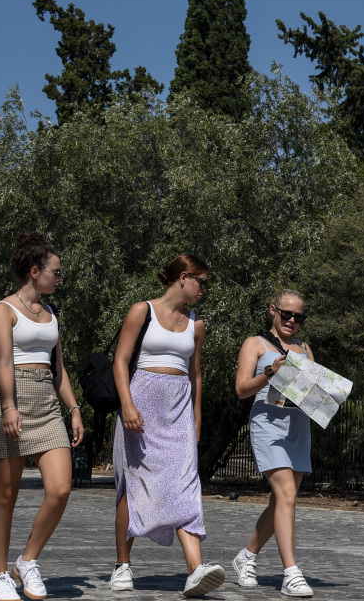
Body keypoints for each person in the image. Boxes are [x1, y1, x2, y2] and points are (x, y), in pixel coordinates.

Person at [108, 255, 224, 598]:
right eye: (203, 282)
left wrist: (196, 417)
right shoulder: (141, 311)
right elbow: (120, 361)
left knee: (186, 484)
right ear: (184, 277)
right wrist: (127, 405)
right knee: (134, 484)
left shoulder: (196, 324)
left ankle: (196, 569)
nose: (205, 289)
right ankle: (122, 565)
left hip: (179, 410)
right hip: (141, 405)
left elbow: (195, 374)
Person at [0, 232, 84, 601]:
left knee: (60, 489)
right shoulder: (3, 310)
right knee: (6, 496)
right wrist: (8, 407)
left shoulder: (51, 314)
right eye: (56, 272)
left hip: (47, 403)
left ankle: (27, 561)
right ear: (35, 271)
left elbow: (59, 369)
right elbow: (4, 362)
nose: (60, 278)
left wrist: (74, 409)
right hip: (13, 398)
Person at [229, 289, 315, 598]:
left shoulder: (304, 348)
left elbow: (311, 392)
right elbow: (241, 389)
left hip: (298, 427)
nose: (292, 320)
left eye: (298, 317)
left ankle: (247, 556)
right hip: (268, 426)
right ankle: (291, 573)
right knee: (287, 494)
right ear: (273, 310)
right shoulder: (255, 344)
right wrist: (271, 372)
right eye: (287, 314)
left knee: (281, 501)